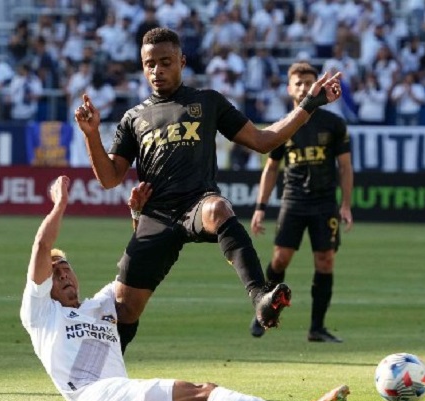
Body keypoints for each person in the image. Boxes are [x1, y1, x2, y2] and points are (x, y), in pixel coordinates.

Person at [20, 174, 350, 401]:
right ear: (44, 283)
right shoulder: (41, 314)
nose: (63, 272)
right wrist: (60, 205)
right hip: (96, 399)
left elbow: (140, 270)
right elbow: (41, 246)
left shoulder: (101, 303)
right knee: (204, 392)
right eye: (54, 271)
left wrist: (138, 217)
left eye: (65, 267)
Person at [73, 27, 344, 352]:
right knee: (124, 307)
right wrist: (91, 135)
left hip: (196, 205)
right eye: (149, 64)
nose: (157, 70)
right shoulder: (134, 118)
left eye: (165, 62)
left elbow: (263, 140)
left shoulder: (207, 102)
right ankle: (104, 379)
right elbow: (109, 178)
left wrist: (309, 105)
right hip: (155, 216)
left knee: (218, 208)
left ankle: (260, 297)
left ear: (182, 61)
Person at [251, 62, 353, 343]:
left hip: (324, 203)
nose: (305, 87)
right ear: (289, 88)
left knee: (325, 260)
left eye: (309, 82)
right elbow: (271, 168)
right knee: (280, 258)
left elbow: (345, 167)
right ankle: (264, 312)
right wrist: (260, 207)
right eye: (299, 83)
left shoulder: (334, 124)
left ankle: (317, 328)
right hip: (293, 200)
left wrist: (345, 204)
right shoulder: (284, 125)